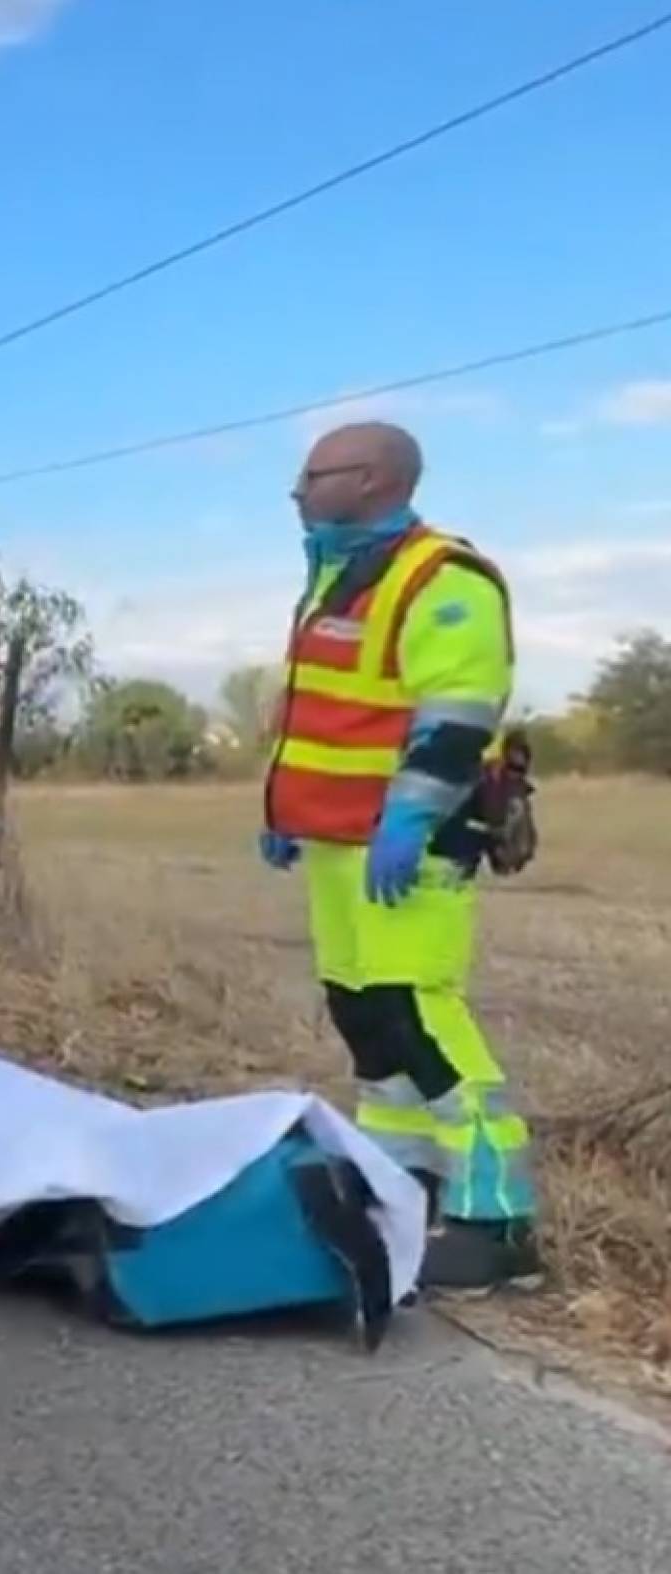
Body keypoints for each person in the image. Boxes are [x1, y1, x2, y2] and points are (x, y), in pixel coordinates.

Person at [262, 421, 540, 1292]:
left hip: (410, 843)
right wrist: (282, 807)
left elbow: (458, 712)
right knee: (365, 1013)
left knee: (418, 1013)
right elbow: (326, 712)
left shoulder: (441, 577)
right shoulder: (339, 577)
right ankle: (403, 1183)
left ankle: (498, 1222)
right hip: (338, 837)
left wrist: (411, 818)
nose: (298, 491)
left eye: (315, 475)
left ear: (372, 480)